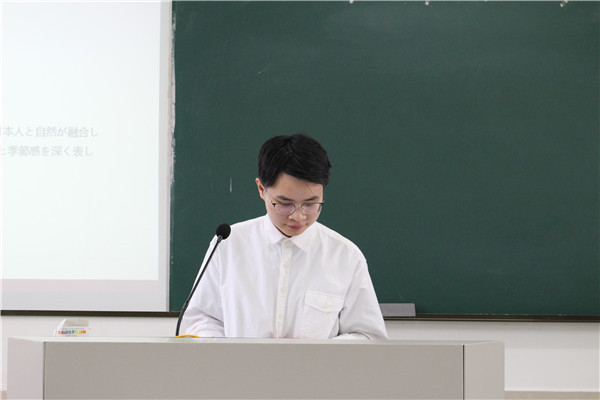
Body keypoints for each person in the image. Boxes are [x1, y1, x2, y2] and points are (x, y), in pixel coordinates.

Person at [180, 134, 388, 339]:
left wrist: (311, 353)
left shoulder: (346, 256)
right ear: (261, 189)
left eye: (310, 204)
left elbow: (369, 336)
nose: (298, 216)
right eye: (285, 204)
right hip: (240, 363)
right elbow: (199, 319)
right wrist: (233, 353)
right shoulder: (228, 244)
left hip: (315, 364)